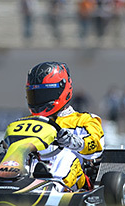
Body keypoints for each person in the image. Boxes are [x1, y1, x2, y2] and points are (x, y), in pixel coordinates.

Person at [25, 61, 104, 190]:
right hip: (32, 173)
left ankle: (51, 189)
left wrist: (74, 142)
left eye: (43, 94)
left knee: (65, 156)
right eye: (34, 95)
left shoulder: (84, 120)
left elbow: (96, 149)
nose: (38, 100)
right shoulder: (26, 123)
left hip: (76, 182)